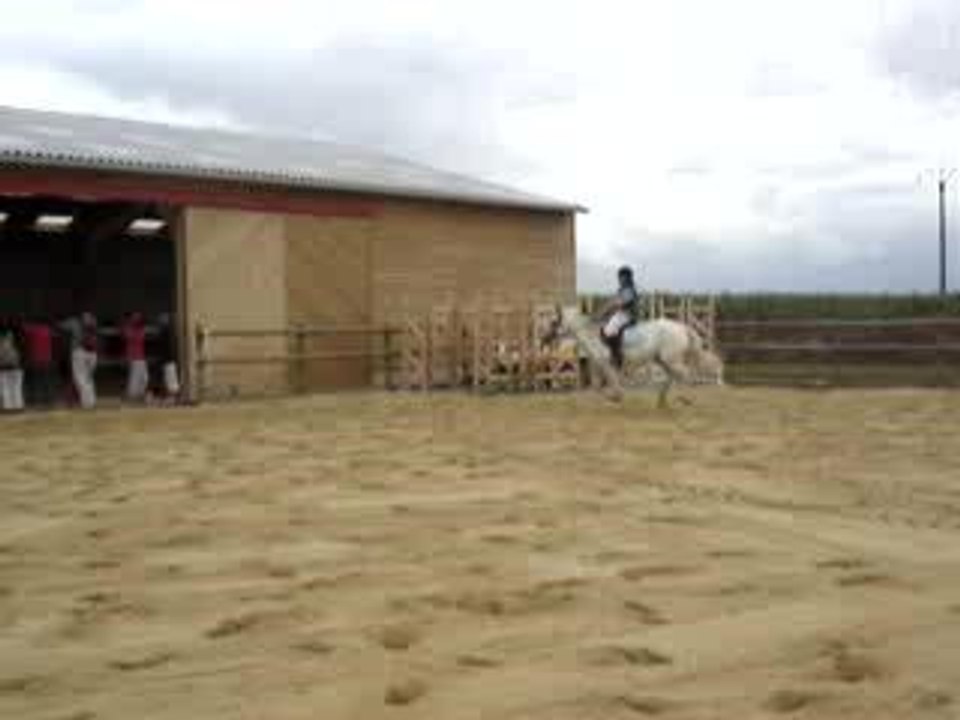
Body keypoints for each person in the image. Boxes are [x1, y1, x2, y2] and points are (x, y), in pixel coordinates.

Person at [599, 265, 641, 370]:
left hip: (629, 315)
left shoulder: (629, 289)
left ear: (628, 277)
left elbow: (621, 303)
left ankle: (617, 356)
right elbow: (614, 302)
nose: (620, 279)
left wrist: (609, 309)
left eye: (623, 277)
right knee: (606, 325)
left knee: (610, 330)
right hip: (621, 314)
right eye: (620, 277)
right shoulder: (621, 289)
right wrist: (604, 311)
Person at [61, 311, 99, 409]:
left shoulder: (75, 323)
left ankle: (87, 403)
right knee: (89, 378)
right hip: (93, 354)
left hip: (79, 352)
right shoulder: (94, 323)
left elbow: (61, 326)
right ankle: (91, 401)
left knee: (80, 378)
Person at [21, 318, 57, 408]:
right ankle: (50, 400)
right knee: (47, 381)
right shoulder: (48, 330)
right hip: (48, 359)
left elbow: (23, 328)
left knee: (37, 382)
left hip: (36, 360)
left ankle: (38, 401)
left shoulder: (33, 329)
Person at [122, 312, 149, 402]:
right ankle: (132, 396)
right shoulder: (129, 329)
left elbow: (143, 334)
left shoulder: (140, 329)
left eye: (138, 317)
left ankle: (139, 394)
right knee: (134, 378)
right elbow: (127, 335)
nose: (137, 319)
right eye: (135, 318)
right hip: (134, 357)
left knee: (145, 378)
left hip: (141, 357)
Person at [0, 323, 25, 413]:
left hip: (5, 368)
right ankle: (18, 406)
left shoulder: (2, 344)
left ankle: (8, 407)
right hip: (17, 368)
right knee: (16, 388)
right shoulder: (16, 343)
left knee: (5, 388)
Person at [156, 313, 181, 404]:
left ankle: (173, 398)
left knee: (171, 379)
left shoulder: (166, 332)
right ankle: (171, 397)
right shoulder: (165, 332)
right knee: (169, 378)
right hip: (167, 359)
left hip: (168, 359)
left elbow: (167, 347)